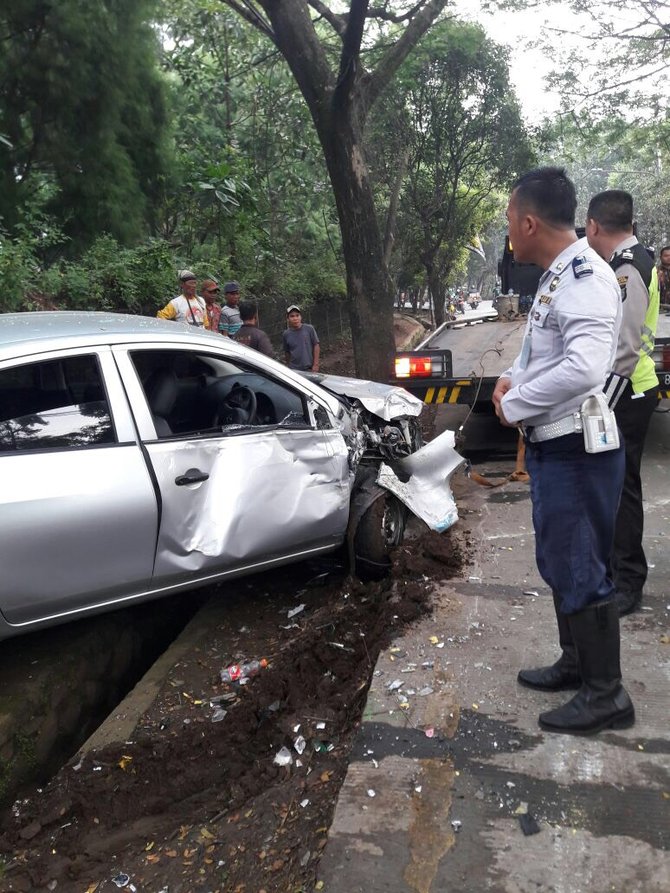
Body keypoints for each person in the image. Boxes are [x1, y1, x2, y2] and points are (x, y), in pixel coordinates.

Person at [492, 166, 634, 736]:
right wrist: (509, 378)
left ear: (528, 221)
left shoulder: (586, 276)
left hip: (578, 448)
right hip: (557, 447)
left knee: (580, 566)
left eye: (508, 220)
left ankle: (607, 694)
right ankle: (578, 664)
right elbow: (543, 353)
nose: (508, 231)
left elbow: (584, 367)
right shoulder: (557, 275)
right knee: (560, 561)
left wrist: (516, 403)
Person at [586, 190, 660, 616]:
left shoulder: (629, 268)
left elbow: (627, 348)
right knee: (615, 487)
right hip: (629, 389)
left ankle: (628, 582)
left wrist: (599, 405)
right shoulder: (625, 263)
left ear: (594, 226)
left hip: (630, 392)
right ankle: (618, 571)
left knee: (622, 489)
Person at [282, 305, 320, 372]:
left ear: (300, 317)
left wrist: (315, 364)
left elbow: (316, 345)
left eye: (297, 315)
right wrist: (288, 366)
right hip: (294, 370)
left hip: (309, 368)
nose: (295, 318)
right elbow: (287, 352)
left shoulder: (309, 329)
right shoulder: (286, 334)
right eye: (292, 316)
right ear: (288, 319)